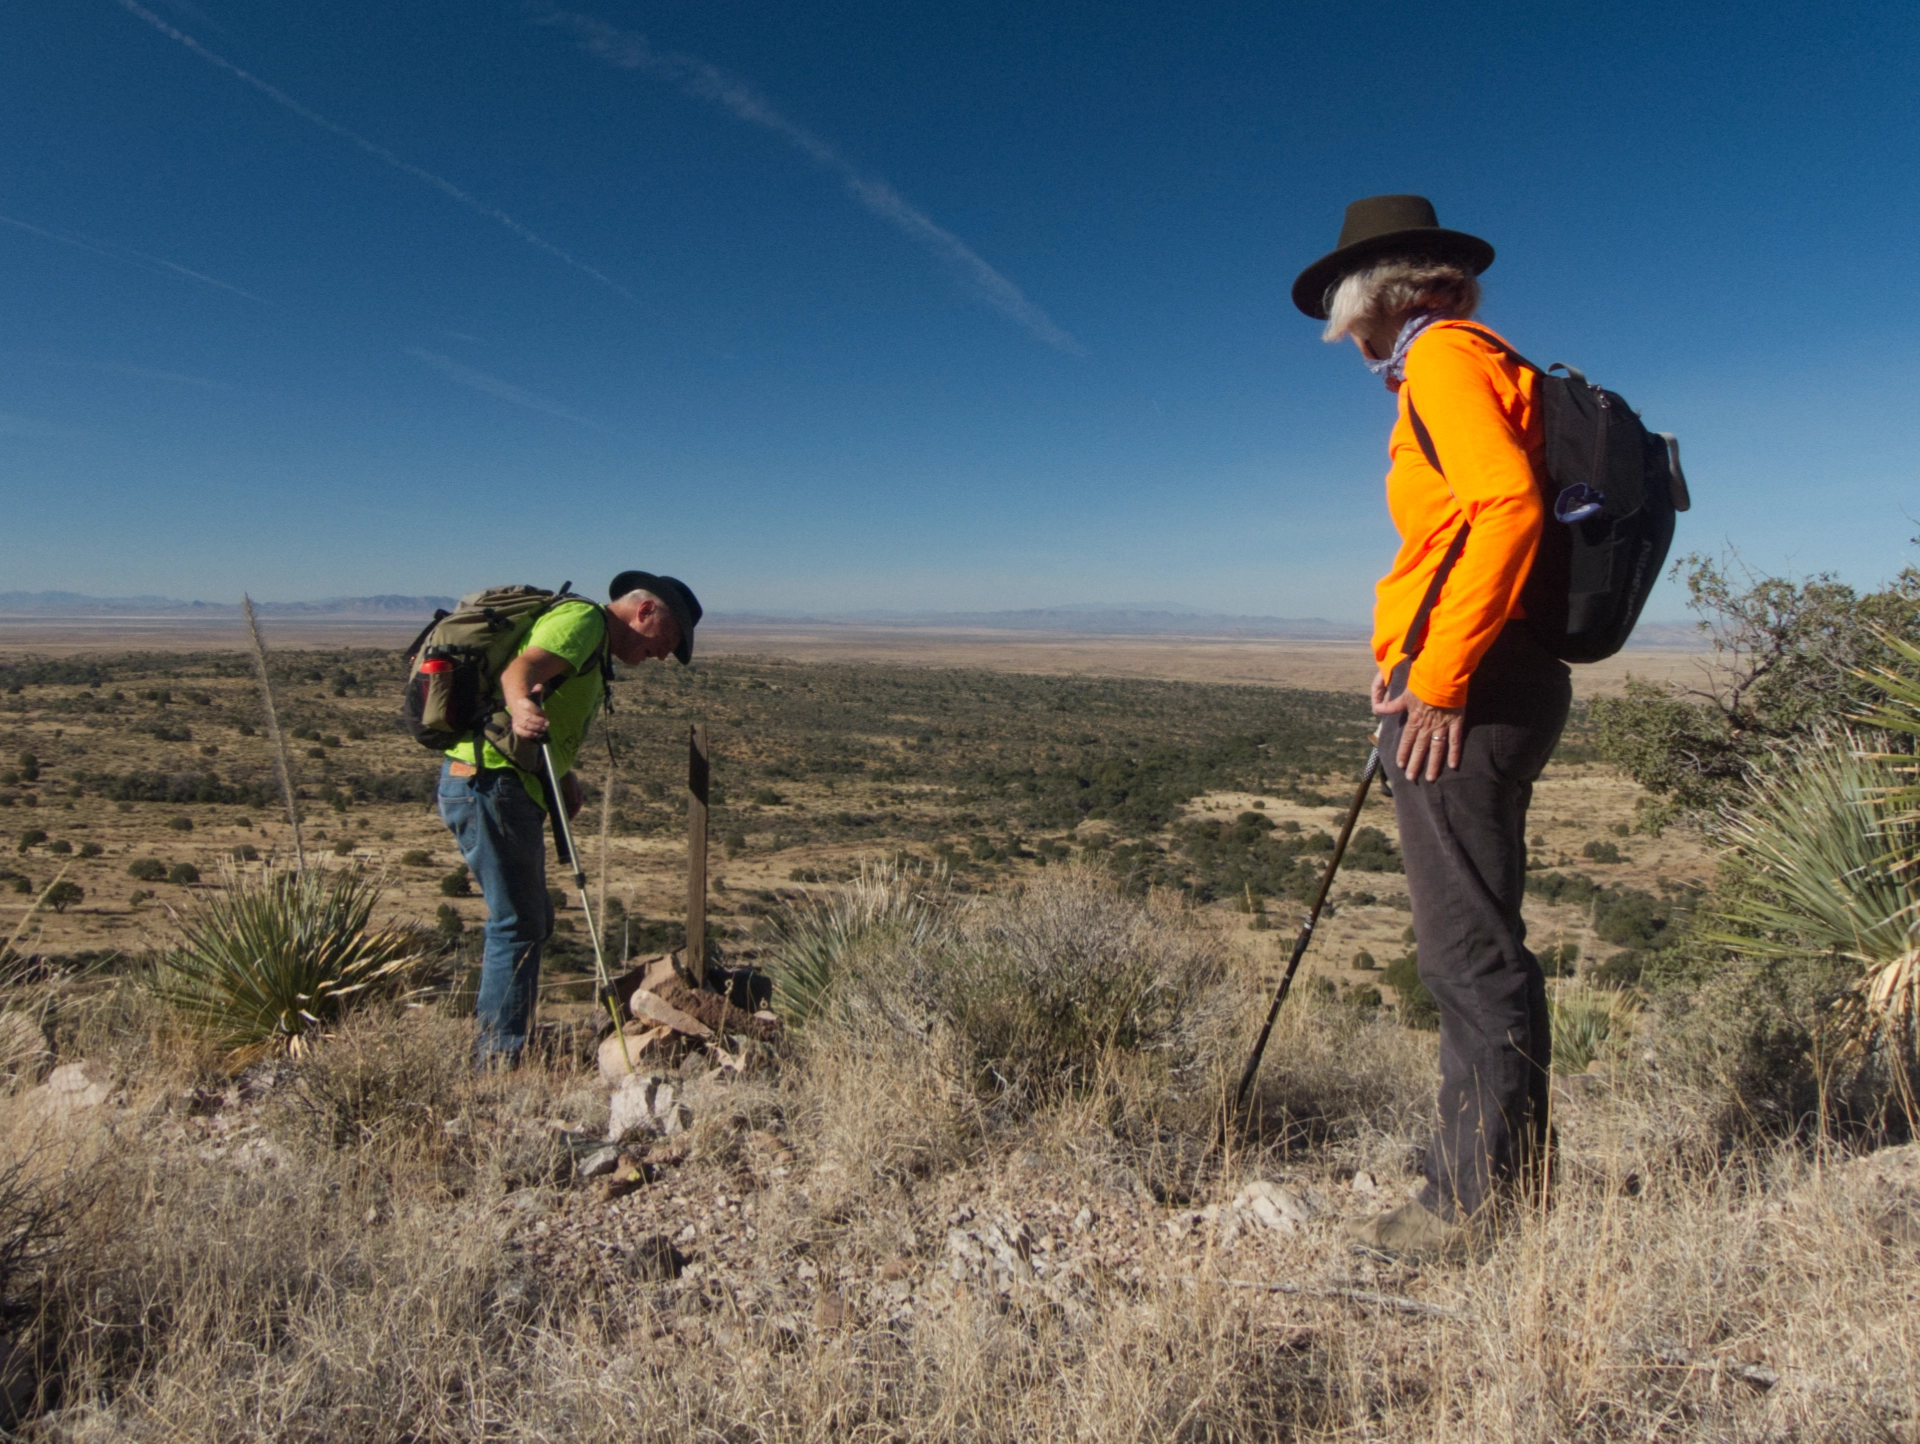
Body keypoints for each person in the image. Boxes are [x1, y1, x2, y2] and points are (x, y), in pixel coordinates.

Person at [1293, 195, 1570, 1255]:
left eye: (1339, 289)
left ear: (1383, 290)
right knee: (1479, 938)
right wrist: (1406, 660)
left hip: (1479, 685)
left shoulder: (1447, 357)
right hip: (1488, 672)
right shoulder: (1471, 361)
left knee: (1465, 948)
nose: (1333, 313)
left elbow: (1505, 507)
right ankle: (1502, 1184)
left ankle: (1472, 1207)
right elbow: (1467, 533)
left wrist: (1442, 677)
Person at [437, 571, 702, 1064]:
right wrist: (520, 707)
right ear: (646, 612)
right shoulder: (583, 622)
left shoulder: (595, 645)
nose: (663, 655)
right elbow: (522, 670)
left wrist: (560, 774)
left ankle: (506, 1045)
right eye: (669, 641)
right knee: (517, 923)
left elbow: (548, 697)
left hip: (507, 782)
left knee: (530, 920)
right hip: (492, 781)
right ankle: (498, 1057)